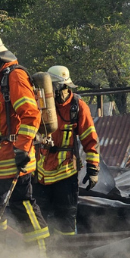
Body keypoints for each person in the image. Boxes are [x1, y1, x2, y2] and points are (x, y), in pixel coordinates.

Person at [0, 34, 51, 254]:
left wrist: (22, 148)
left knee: (22, 204)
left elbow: (31, 114)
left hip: (14, 154)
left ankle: (40, 255)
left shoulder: (14, 76)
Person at [33, 65, 99, 237]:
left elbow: (90, 139)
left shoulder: (77, 107)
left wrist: (93, 169)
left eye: (59, 87)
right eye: (52, 87)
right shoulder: (41, 105)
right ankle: (40, 256)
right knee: (39, 220)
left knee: (65, 221)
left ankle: (66, 257)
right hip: (41, 175)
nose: (56, 92)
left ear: (66, 86)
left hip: (66, 174)